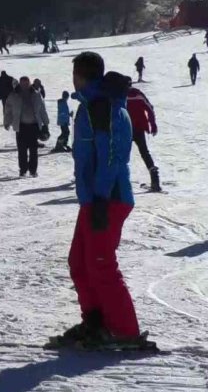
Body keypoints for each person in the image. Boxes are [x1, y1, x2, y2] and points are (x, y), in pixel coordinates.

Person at [52, 52, 144, 348]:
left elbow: (112, 156)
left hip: (109, 198)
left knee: (101, 262)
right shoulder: (92, 105)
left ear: (82, 75)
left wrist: (102, 197)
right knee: (79, 261)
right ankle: (95, 321)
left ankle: (124, 330)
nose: (73, 78)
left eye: (76, 72)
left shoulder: (103, 107)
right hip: (93, 198)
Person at [4, 76, 49, 177]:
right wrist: (7, 122)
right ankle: (23, 169)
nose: (24, 85)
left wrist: (46, 123)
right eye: (22, 83)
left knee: (33, 149)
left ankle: (33, 170)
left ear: (29, 83)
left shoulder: (36, 94)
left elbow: (42, 109)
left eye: (26, 83)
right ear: (19, 83)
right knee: (22, 150)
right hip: (21, 126)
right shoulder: (14, 95)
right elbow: (8, 109)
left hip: (33, 126)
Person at [126, 83, 160, 191]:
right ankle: (154, 178)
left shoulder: (120, 94)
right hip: (139, 128)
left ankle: (119, 182)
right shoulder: (138, 94)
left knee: (122, 154)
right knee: (144, 152)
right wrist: (152, 125)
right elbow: (150, 108)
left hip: (125, 128)